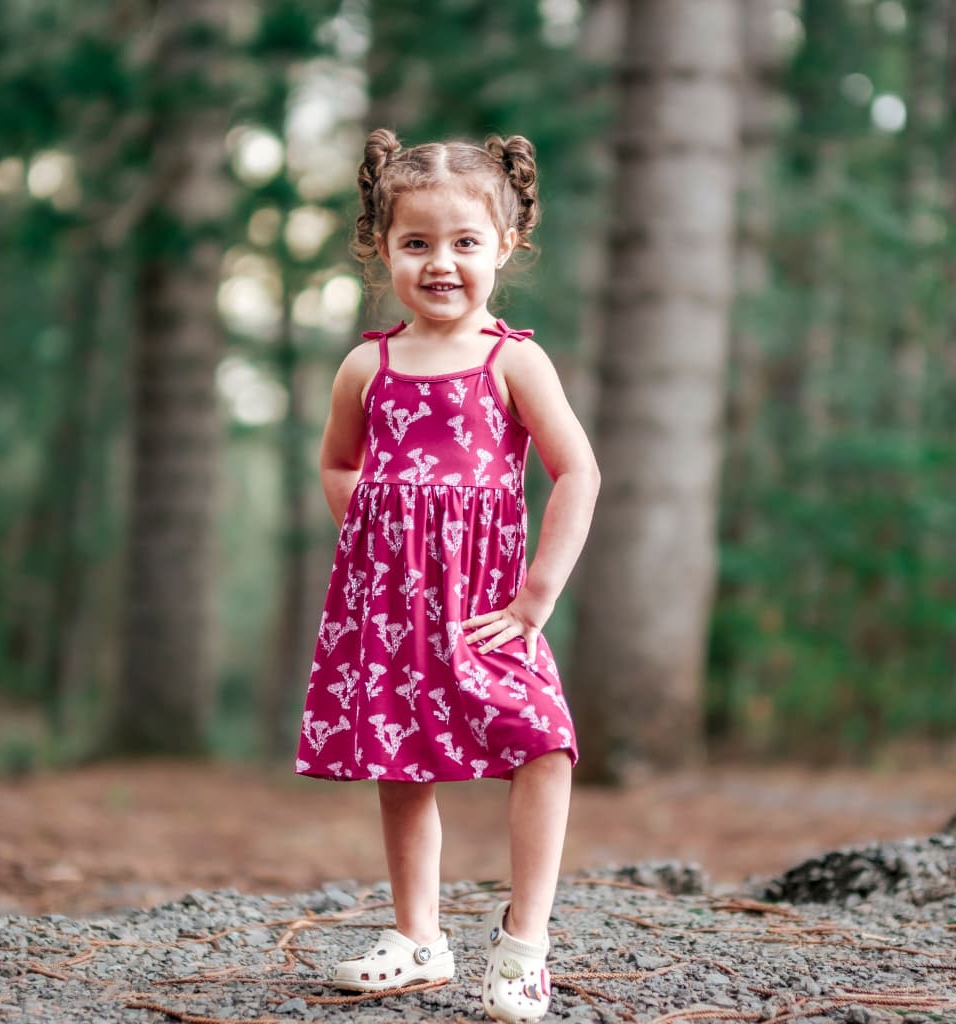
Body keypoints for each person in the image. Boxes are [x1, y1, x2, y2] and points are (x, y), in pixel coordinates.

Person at [295, 127, 600, 1024]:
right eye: (416, 243)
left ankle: (523, 947)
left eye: (465, 242)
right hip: (391, 607)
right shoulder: (368, 366)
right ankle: (417, 936)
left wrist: (537, 593)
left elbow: (576, 471)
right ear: (380, 248)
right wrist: (382, 539)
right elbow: (338, 466)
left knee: (543, 742)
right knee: (404, 760)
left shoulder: (514, 360)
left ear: (505, 246)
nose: (441, 263)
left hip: (493, 608)